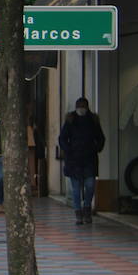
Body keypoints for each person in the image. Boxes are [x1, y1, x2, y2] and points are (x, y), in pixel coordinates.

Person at [58, 96, 105, 225]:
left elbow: (100, 137)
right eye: (79, 107)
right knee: (76, 188)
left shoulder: (93, 120)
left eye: (83, 107)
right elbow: (62, 138)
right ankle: (79, 212)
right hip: (74, 159)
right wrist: (68, 150)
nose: (81, 109)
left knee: (90, 186)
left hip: (89, 158)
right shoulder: (70, 120)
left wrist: (96, 148)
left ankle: (87, 208)